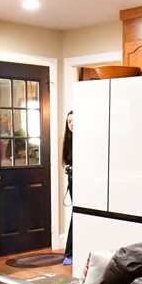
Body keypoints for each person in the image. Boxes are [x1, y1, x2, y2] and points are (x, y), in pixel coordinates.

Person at [62, 110, 74, 265]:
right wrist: (67, 168)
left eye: (73, 120)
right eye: (69, 121)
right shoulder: (69, 141)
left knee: (77, 216)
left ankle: (69, 251)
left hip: (85, 184)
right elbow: (66, 162)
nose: (71, 124)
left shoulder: (85, 140)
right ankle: (70, 252)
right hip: (73, 183)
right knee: (76, 215)